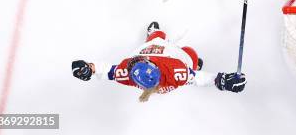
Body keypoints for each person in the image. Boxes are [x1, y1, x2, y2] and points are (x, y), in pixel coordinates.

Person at [71, 22, 246, 102]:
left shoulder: (127, 72)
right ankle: (189, 58)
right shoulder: (177, 73)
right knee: (192, 57)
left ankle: (153, 33)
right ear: (152, 65)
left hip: (154, 46)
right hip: (174, 56)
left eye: (134, 65)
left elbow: (106, 70)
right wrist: (222, 80)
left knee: (156, 37)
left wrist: (89, 68)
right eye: (140, 63)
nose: (133, 63)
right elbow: (198, 78)